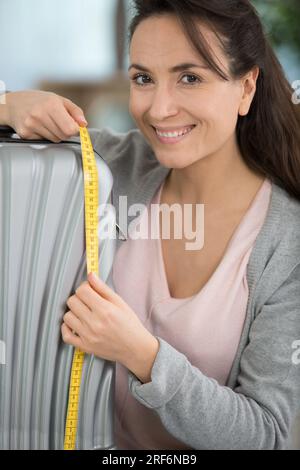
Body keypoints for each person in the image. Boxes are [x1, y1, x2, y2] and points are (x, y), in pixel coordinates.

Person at [0, 0, 300, 450]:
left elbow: (265, 435)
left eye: (190, 78)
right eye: (143, 78)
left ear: (246, 88)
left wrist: (142, 355)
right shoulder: (105, 166)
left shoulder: (287, 242)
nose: (159, 110)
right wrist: (6, 104)